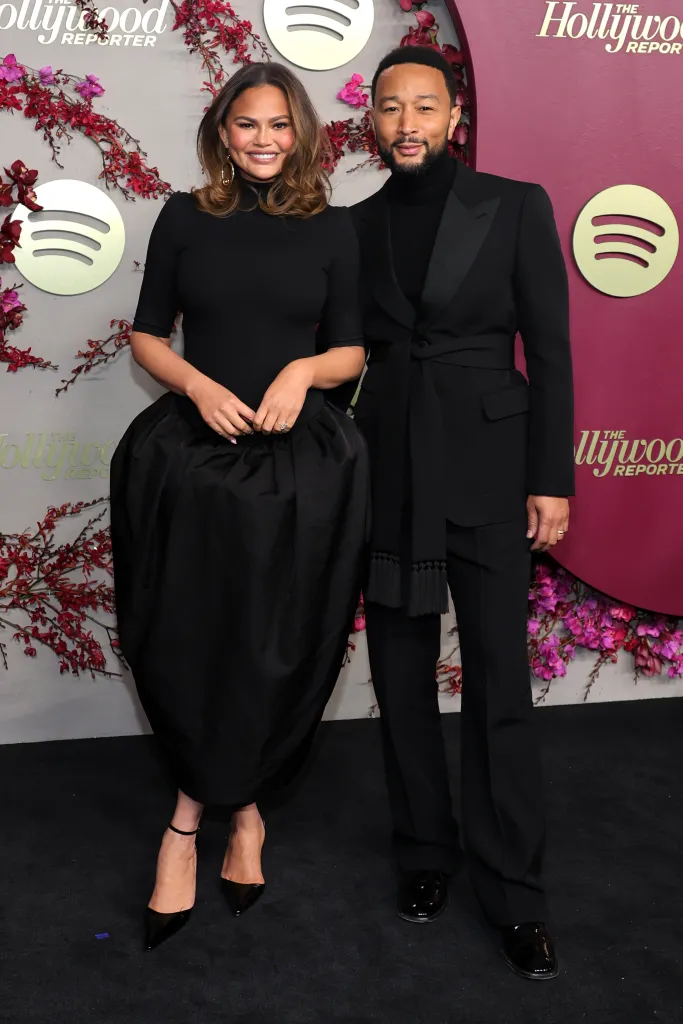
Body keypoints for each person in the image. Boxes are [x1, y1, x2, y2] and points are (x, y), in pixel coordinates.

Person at [110, 62, 369, 952]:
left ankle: (222, 819)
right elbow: (147, 333)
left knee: (269, 647)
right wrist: (194, 383)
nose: (263, 140)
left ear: (300, 135)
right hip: (193, 462)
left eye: (279, 126)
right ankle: (203, 821)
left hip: (299, 470)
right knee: (189, 639)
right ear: (223, 132)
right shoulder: (184, 215)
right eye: (246, 125)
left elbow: (348, 352)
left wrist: (300, 371)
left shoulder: (334, 229)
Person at [334, 47, 574, 980]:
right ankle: (423, 853)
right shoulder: (351, 227)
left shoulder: (513, 204)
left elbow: (548, 349)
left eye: (422, 107)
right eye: (389, 107)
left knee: (498, 685)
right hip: (389, 469)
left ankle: (515, 892)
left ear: (452, 115)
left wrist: (549, 479)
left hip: (487, 464)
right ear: (372, 119)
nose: (405, 123)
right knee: (398, 676)